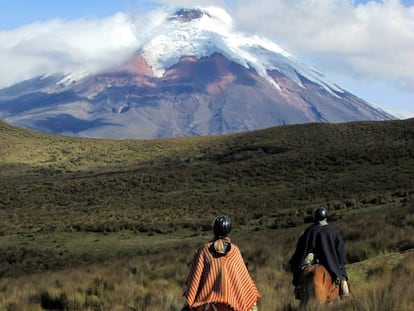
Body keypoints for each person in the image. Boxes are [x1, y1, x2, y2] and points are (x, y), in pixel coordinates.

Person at [182, 216, 262, 311]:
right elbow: (244, 279)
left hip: (207, 302)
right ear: (228, 230)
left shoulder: (204, 250)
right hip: (235, 303)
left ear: (214, 230)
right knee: (252, 306)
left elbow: (194, 279)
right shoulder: (235, 251)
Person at [289, 207, 349, 298]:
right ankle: (345, 293)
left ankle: (298, 288)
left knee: (299, 271)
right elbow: (340, 249)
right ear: (325, 217)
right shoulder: (332, 231)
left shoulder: (309, 230)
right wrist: (341, 262)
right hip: (329, 259)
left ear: (316, 218)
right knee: (342, 276)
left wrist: (296, 261)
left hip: (311, 258)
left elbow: (300, 249)